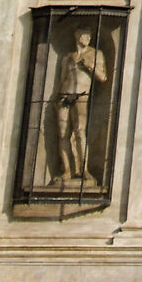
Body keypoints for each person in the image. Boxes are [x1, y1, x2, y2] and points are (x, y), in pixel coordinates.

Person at [54, 25, 108, 185]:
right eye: (85, 35)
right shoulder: (67, 57)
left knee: (79, 132)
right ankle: (66, 171)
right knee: (63, 134)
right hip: (64, 96)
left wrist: (90, 66)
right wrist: (57, 99)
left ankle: (84, 170)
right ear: (77, 36)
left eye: (89, 36)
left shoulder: (96, 54)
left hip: (82, 95)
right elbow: (62, 78)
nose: (88, 38)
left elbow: (103, 77)